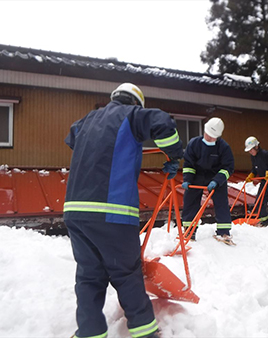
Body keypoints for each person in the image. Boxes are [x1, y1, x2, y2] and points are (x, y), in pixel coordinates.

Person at [63, 83, 183, 338]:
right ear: (135, 103)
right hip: (111, 212)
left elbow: (72, 136)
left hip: (75, 211)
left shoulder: (86, 121)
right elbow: (162, 122)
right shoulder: (131, 115)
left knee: (88, 276)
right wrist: (173, 155)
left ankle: (89, 332)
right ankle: (145, 331)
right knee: (126, 272)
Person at [181, 117, 235, 245]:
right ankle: (189, 231)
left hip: (216, 176)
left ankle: (224, 232)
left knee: (221, 201)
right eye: (207, 135)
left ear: (218, 137)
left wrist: (217, 181)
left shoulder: (224, 147)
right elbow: (189, 164)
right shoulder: (194, 144)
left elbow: (228, 167)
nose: (208, 138)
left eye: (212, 137)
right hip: (197, 175)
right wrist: (188, 179)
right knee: (190, 200)